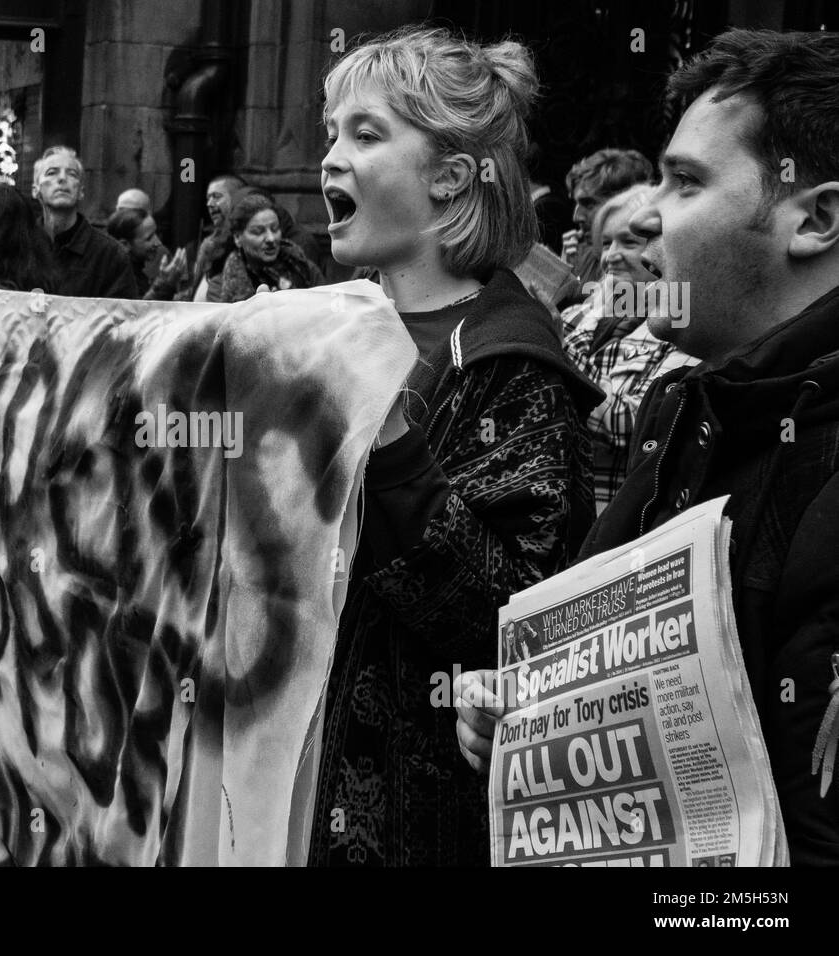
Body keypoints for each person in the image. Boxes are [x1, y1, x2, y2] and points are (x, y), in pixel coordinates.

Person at [457, 28, 839, 866]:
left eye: (687, 180)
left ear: (815, 218)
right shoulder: (687, 410)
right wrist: (526, 720)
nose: (647, 213)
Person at [307, 25, 601, 867]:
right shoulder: (326, 327)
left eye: (365, 134)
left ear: (448, 176)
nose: (331, 158)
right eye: (332, 132)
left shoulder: (511, 364)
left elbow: (514, 617)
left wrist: (393, 443)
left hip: (418, 812)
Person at [560, 184, 698, 511]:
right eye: (606, 243)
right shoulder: (587, 314)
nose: (610, 257)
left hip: (622, 523)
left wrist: (558, 348)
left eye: (629, 242)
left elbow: (635, 422)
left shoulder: (685, 322)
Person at [32, 145, 138, 299]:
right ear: (35, 189)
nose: (62, 179)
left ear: (81, 191)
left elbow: (122, 316)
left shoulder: (110, 255)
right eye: (51, 173)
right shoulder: (20, 248)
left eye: (72, 174)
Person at [561, 148, 653, 283]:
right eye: (576, 204)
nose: (577, 217)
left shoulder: (653, 260)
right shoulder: (579, 254)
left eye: (589, 204)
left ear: (621, 200)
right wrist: (563, 272)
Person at [211, 191, 322, 302]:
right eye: (258, 232)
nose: (271, 239)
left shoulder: (304, 268)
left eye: (274, 229)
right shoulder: (219, 287)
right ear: (237, 238)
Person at [185, 172, 246, 301]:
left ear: (237, 199)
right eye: (208, 198)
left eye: (216, 197)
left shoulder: (243, 242)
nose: (209, 204)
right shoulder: (208, 244)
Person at [104, 207, 186, 299]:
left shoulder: (134, 271)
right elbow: (139, 311)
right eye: (149, 238)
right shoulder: (117, 278)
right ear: (125, 244)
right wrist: (164, 284)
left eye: (156, 234)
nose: (158, 242)